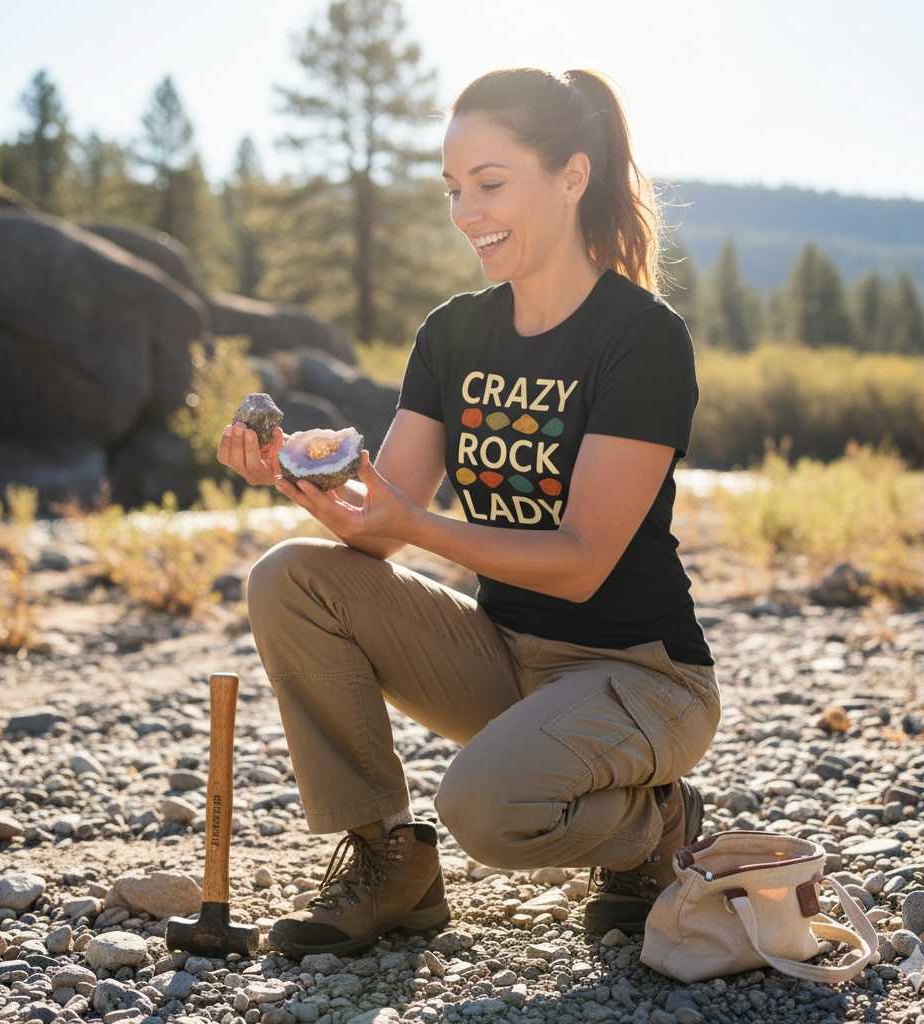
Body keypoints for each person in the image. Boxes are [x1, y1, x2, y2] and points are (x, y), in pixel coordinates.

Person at [217, 67, 721, 960]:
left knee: (484, 812)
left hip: (643, 675)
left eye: (490, 185)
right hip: (506, 658)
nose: (466, 212)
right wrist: (296, 474)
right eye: (454, 189)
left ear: (571, 175)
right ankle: (388, 861)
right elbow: (380, 515)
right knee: (289, 577)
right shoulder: (454, 334)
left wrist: (410, 523)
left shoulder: (640, 339)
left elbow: (581, 560)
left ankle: (658, 823)